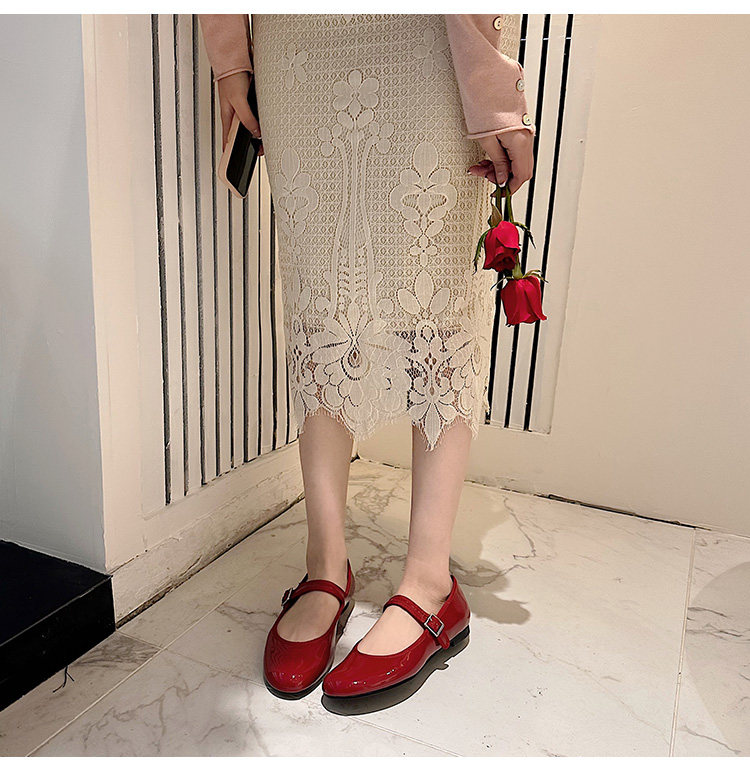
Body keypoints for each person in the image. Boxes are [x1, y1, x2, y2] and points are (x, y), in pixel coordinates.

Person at [199, 13, 534, 707]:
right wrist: (231, 58)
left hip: (424, 37)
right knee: (321, 301)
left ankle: (430, 583)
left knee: (435, 307)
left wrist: (491, 89)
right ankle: (325, 567)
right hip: (295, 45)